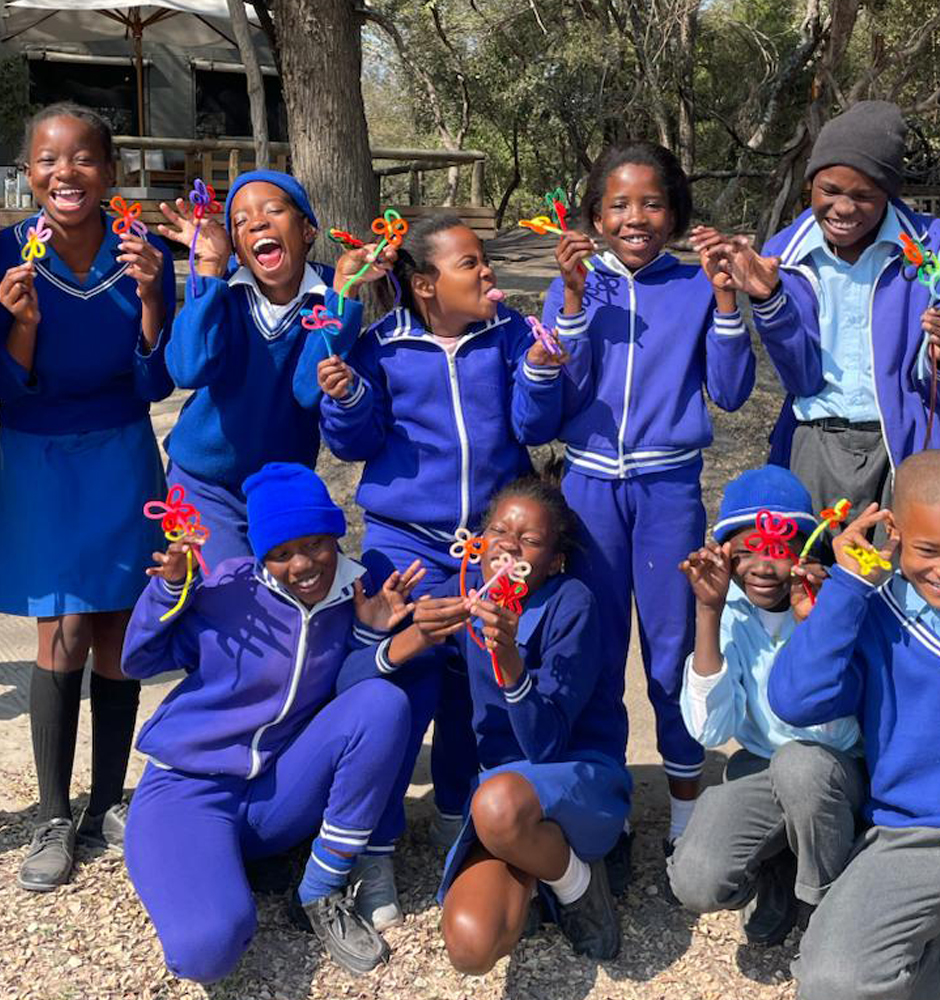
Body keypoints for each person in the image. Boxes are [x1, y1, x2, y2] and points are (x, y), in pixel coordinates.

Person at [319, 216, 575, 928]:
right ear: (426, 284)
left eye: (487, 260)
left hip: (487, 549)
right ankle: (371, 839)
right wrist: (346, 398)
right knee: (398, 673)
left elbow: (533, 427)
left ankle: (464, 811)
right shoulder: (382, 347)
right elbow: (356, 442)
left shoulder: (511, 336)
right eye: (472, 264)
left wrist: (542, 372)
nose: (489, 273)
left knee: (482, 677)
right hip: (406, 544)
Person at [122, 462, 423, 980]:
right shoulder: (228, 590)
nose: (303, 564)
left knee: (383, 701)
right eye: (281, 553)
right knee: (207, 950)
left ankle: (321, 888)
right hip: (189, 790)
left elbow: (353, 708)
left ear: (335, 534)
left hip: (278, 795)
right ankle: (197, 861)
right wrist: (171, 591)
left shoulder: (354, 595)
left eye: (315, 544)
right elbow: (139, 662)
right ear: (262, 555)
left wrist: (373, 637)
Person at [542, 140, 756, 855]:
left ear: (676, 212)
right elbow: (554, 404)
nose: (637, 217)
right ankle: (609, 803)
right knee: (596, 650)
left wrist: (726, 299)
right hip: (589, 488)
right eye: (620, 204)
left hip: (669, 490)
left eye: (653, 202)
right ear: (595, 216)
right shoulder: (575, 284)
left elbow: (728, 391)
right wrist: (572, 302)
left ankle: (687, 804)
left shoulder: (695, 286)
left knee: (672, 649)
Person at [339, 472, 631, 969]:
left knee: (495, 803)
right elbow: (349, 686)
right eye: (499, 532)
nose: (510, 547)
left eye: (530, 540)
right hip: (505, 801)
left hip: (580, 781)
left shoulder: (572, 602)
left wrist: (510, 659)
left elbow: (547, 747)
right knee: (470, 947)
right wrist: (397, 636)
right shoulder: (469, 599)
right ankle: (539, 878)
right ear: (477, 543)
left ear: (555, 559)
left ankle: (579, 888)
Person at [0, 102, 175, 890]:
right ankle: (49, 815)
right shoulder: (6, 256)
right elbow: (6, 389)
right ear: (28, 172)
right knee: (61, 628)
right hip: (38, 458)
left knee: (116, 626)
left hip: (121, 453)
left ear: (110, 172)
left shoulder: (144, 256)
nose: (63, 173)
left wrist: (147, 306)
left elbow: (157, 378)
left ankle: (109, 802)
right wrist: (23, 327)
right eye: (46, 159)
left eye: (81, 159)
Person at [768, 450, 940, 1000]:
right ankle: (929, 956)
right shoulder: (869, 617)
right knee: (830, 983)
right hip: (903, 842)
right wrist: (849, 586)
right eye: (928, 550)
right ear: (894, 531)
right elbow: (798, 701)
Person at [692, 101, 940, 517]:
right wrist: (769, 300)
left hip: (909, 446)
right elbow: (802, 380)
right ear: (811, 185)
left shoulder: (938, 250)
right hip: (814, 444)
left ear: (890, 196)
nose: (843, 208)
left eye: (864, 196)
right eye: (830, 190)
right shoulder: (784, 255)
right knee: (814, 574)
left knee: (903, 572)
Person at [668, 465, 864, 947]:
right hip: (761, 766)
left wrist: (816, 629)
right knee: (695, 880)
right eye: (746, 550)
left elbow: (834, 734)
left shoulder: (833, 603)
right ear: (725, 556)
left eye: (777, 550)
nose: (761, 566)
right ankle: (779, 864)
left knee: (801, 769)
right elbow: (711, 733)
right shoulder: (728, 609)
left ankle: (822, 900)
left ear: (804, 550)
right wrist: (708, 613)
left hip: (833, 770)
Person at [156, 169, 388, 566]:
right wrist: (209, 270)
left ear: (308, 230)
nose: (257, 221)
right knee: (228, 591)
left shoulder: (335, 291)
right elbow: (188, 370)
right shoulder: (221, 290)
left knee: (303, 589)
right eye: (240, 222)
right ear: (239, 250)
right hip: (204, 482)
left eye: (273, 210)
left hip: (283, 482)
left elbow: (308, 389)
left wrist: (344, 294)